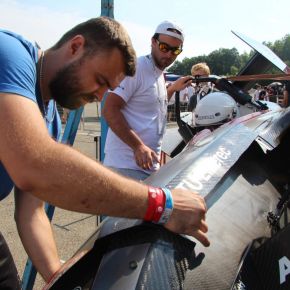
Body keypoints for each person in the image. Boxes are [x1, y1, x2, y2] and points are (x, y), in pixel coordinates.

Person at [0, 17, 209, 289]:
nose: (100, 97)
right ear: (76, 47)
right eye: (100, 81)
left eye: (107, 88)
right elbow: (36, 166)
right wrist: (162, 205)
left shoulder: (50, 119)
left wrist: (60, 279)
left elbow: (31, 213)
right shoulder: (9, 54)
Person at [103, 20, 192, 180]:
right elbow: (110, 109)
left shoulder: (158, 74)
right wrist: (138, 147)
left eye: (175, 50)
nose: (169, 54)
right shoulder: (136, 68)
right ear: (153, 42)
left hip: (146, 168)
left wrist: (171, 89)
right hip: (124, 167)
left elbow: (154, 105)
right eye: (164, 47)